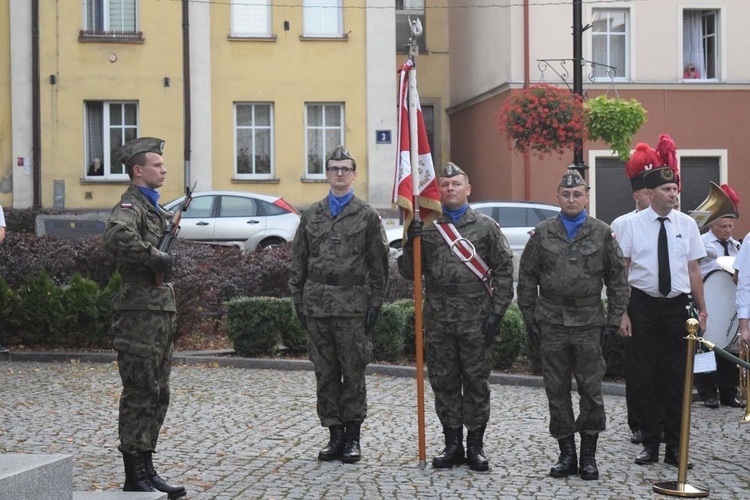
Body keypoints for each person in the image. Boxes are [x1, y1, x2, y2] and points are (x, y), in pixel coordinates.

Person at [398, 162, 514, 472]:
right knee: (444, 382)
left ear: (468, 189)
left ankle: (475, 446)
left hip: (476, 319)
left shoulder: (485, 227)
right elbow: (410, 272)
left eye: (456, 184)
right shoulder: (429, 227)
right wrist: (411, 241)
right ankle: (452, 445)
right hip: (439, 319)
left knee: (476, 383)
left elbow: (503, 270)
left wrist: (497, 312)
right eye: (445, 184)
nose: (450, 189)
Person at [517, 169, 628, 481]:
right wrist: (529, 318)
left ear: (586, 197)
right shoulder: (542, 233)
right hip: (551, 321)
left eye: (577, 194)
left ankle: (588, 456)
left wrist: (612, 321)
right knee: (556, 389)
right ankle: (566, 453)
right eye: (565, 195)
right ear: (557, 197)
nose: (571, 199)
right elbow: (527, 277)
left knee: (591, 390)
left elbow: (618, 280)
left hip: (589, 323)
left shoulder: (602, 233)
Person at [289, 145, 389, 464]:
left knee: (353, 371)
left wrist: (376, 302)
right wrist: (297, 299)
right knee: (326, 372)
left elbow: (379, 264)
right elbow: (298, 260)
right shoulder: (311, 215)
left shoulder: (367, 215)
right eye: (334, 169)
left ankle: (352, 438)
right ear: (327, 174)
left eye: (345, 169)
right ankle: (333, 435)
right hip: (317, 304)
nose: (340, 174)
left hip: (352, 306)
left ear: (354, 174)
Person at [102, 137, 186, 498]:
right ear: (139, 170)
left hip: (158, 311)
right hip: (137, 312)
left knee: (158, 392)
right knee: (139, 391)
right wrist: (154, 255)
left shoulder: (156, 209)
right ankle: (133, 472)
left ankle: (147, 467)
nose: (164, 170)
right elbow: (116, 235)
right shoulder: (130, 205)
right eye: (157, 164)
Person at [617, 164, 707, 468]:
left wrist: (702, 308)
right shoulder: (633, 225)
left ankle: (675, 446)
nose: (673, 193)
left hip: (677, 307)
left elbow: (694, 269)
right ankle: (650, 444)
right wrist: (623, 313)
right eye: (666, 189)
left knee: (677, 377)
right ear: (649, 193)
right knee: (644, 377)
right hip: (643, 306)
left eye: (674, 189)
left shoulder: (687, 224)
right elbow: (624, 269)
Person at [609, 141, 658, 446]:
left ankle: (662, 421)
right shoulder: (622, 224)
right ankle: (638, 421)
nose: (652, 196)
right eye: (647, 192)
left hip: (664, 303)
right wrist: (620, 309)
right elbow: (617, 271)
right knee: (638, 367)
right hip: (635, 302)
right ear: (637, 195)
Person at [696, 184, 743, 409]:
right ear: (712, 225)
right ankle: (708, 393)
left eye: (731, 225)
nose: (728, 230)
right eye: (723, 225)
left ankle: (728, 391)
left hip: (727, 304)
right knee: (705, 348)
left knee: (728, 348)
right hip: (706, 301)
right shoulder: (701, 244)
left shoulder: (737, 246)